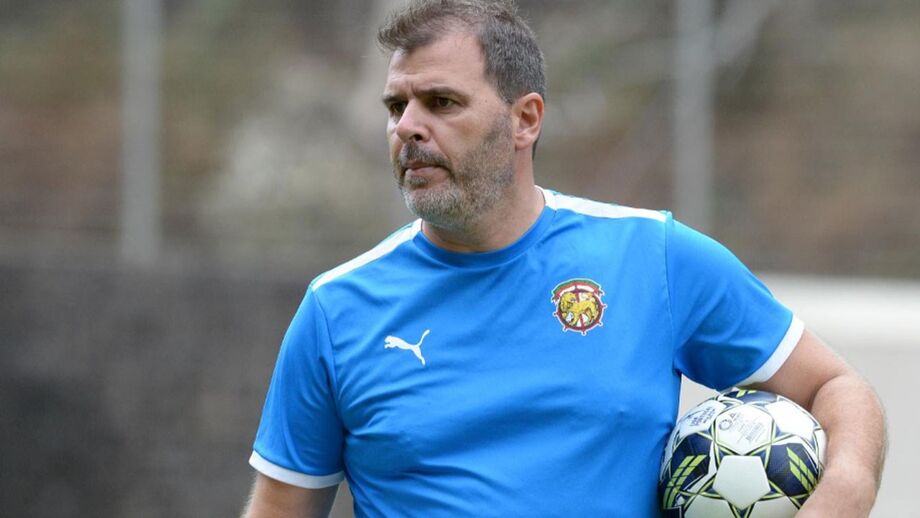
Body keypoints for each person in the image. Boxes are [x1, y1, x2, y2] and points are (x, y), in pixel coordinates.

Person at [241, 1, 886, 516]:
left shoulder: (653, 258)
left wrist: (845, 491)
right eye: (395, 106)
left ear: (525, 120)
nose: (407, 126)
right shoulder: (336, 310)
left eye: (441, 102)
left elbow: (837, 388)